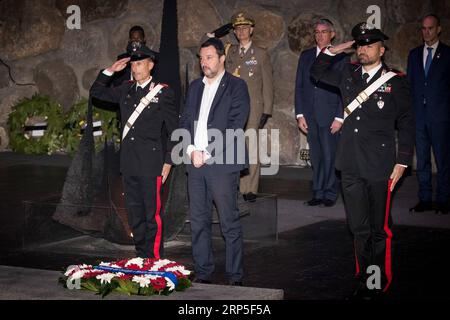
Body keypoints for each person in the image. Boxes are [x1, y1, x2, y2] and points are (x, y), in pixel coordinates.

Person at [311, 22, 415, 298]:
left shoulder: (396, 80)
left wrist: (403, 161)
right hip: (350, 163)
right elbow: (316, 71)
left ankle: (377, 281)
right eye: (361, 44)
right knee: (358, 227)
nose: (364, 49)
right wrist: (338, 48)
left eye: (370, 45)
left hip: (381, 165)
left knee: (378, 228)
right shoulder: (348, 73)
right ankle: (365, 276)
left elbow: (406, 121)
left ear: (382, 49)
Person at [90, 44, 179, 259]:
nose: (135, 68)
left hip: (152, 163)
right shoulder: (125, 89)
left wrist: (168, 161)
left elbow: (175, 131)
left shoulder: (162, 92)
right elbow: (96, 92)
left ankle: (155, 259)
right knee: (135, 213)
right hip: (129, 163)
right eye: (133, 64)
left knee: (152, 215)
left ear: (151, 65)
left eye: (140, 63)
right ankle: (141, 256)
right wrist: (110, 71)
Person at [180, 37, 250, 285]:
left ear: (222, 59)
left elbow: (235, 126)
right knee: (198, 221)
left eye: (209, 57)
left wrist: (207, 153)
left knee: (229, 221)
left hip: (222, 163)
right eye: (201, 58)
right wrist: (190, 150)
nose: (204, 62)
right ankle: (204, 271)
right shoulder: (195, 87)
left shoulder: (237, 86)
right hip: (195, 163)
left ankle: (235, 275)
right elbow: (185, 121)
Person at [295, 18, 347, 207]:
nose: (319, 35)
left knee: (330, 155)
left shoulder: (341, 57)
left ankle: (330, 192)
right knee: (316, 156)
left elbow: (344, 90)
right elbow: (299, 86)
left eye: (324, 32)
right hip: (310, 115)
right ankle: (318, 191)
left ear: (332, 34)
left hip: (330, 115)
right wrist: (299, 114)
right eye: (316, 32)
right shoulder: (306, 56)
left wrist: (340, 116)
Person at [225, 12, 273, 202]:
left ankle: (250, 189)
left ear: (251, 30)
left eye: (245, 28)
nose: (241, 31)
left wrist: (267, 110)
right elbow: (205, 43)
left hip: (253, 108)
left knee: (251, 148)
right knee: (233, 147)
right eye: (238, 28)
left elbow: (268, 84)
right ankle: (236, 185)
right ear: (235, 32)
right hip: (232, 108)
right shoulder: (230, 52)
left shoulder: (260, 53)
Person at [407, 14, 450, 215]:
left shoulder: (448, 54)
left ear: (438, 29)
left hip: (440, 117)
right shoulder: (414, 55)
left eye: (430, 28)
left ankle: (443, 199)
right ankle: (424, 198)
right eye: (423, 28)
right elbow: (410, 86)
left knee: (443, 160)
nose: (426, 32)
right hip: (419, 117)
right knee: (421, 159)